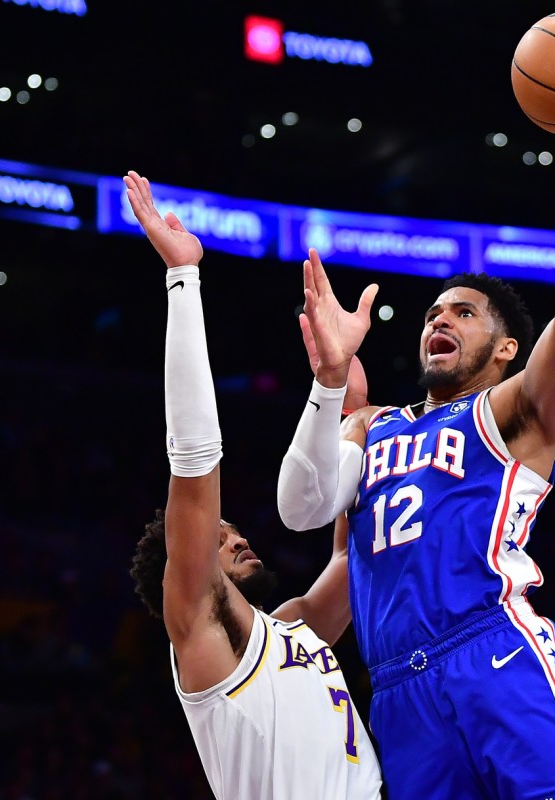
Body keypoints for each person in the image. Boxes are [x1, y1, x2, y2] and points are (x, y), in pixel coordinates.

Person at [276, 52, 555, 800]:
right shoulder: (372, 427)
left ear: (507, 350)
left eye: (462, 313)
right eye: (431, 313)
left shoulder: (513, 413)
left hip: (492, 657)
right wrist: (228, 641)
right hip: (396, 697)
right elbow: (325, 572)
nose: (438, 321)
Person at [122, 170, 383, 800]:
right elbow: (194, 461)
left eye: (233, 531)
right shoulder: (200, 626)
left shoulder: (295, 631)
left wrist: (345, 404)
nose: (238, 539)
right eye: (219, 539)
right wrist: (183, 279)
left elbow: (352, 556)